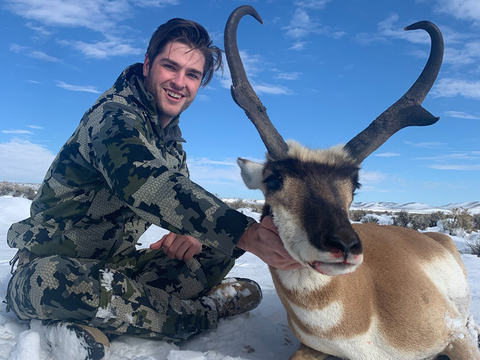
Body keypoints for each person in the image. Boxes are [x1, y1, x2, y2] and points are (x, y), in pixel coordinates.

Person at [6, 17, 301, 360]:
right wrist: (246, 233)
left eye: (192, 75)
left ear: (200, 83)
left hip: (116, 266)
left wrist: (193, 235)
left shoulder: (171, 147)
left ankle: (114, 314)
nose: (179, 82)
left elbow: (182, 199)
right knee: (56, 281)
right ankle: (204, 312)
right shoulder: (113, 116)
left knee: (218, 247)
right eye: (169, 67)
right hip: (47, 269)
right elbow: (141, 180)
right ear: (148, 65)